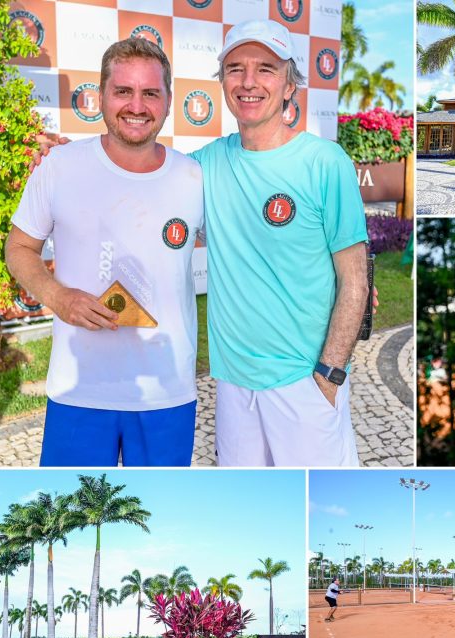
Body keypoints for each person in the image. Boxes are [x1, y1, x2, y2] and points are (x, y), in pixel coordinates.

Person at [6, 38, 203, 466]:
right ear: (101, 95)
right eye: (123, 91)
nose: (137, 105)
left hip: (165, 394)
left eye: (150, 93)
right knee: (72, 522)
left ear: (169, 100)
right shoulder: (60, 166)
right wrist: (59, 297)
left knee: (154, 521)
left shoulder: (194, 177)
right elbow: (19, 247)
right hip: (79, 391)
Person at [189, 19, 369, 467]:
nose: (248, 82)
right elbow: (140, 179)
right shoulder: (203, 164)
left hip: (304, 383)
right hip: (232, 386)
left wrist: (328, 377)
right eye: (235, 68)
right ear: (223, 81)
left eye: (266, 68)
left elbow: (356, 283)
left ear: (291, 85)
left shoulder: (325, 162)